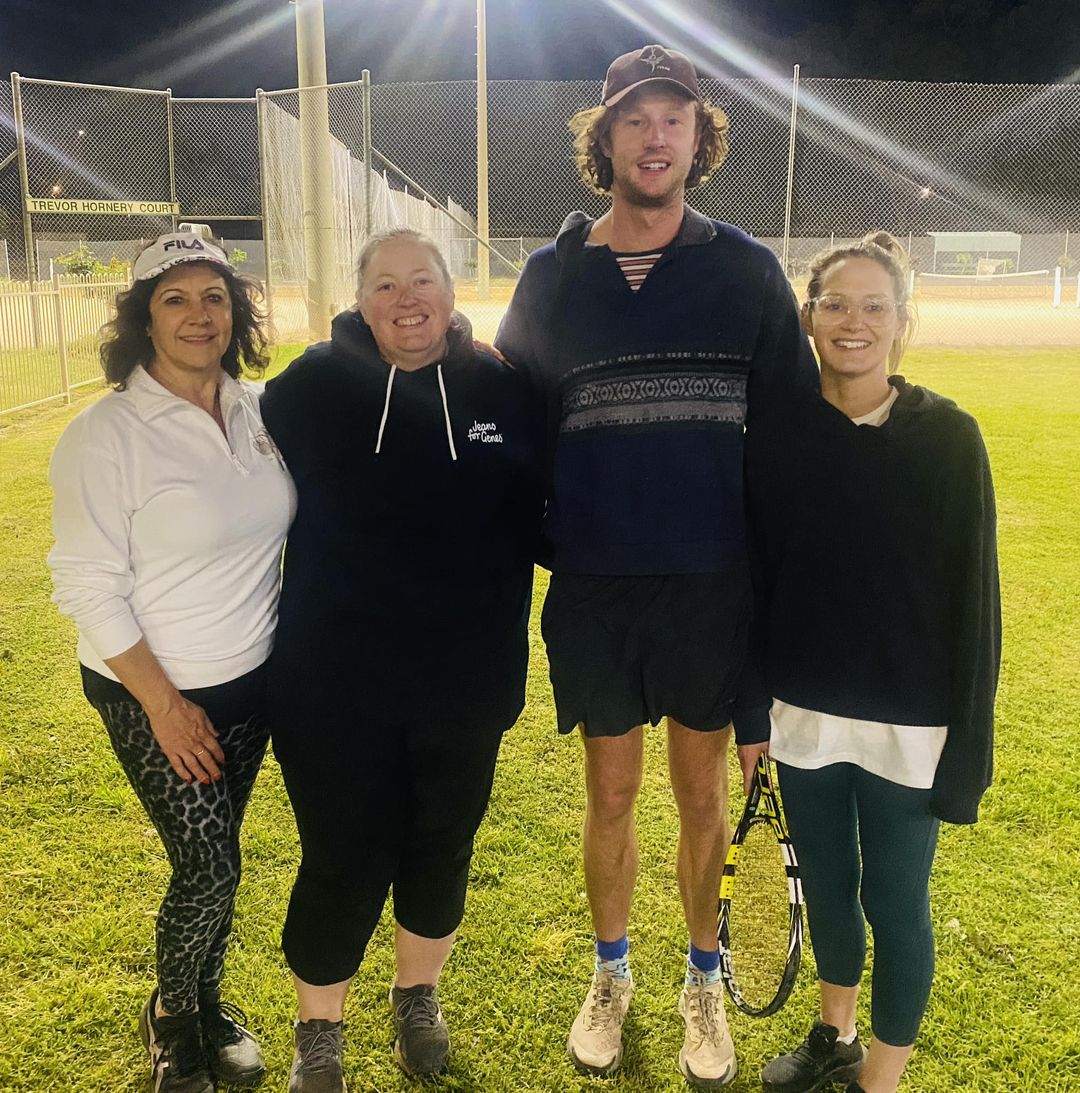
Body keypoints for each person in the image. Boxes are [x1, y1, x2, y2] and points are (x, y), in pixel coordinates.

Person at [494, 45, 818, 1086]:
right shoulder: (552, 275)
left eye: (674, 118)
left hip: (711, 587)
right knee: (612, 792)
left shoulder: (748, 271)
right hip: (596, 590)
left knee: (702, 799)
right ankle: (611, 972)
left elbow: (788, 444)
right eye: (636, 119)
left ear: (699, 135)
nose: (656, 136)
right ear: (606, 135)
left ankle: (703, 984)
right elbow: (509, 424)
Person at [259, 228, 542, 1093]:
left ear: (453, 293)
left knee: (440, 845)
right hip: (332, 683)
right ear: (359, 299)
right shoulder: (306, 389)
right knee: (342, 854)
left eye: (423, 280)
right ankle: (320, 1027)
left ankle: (416, 994)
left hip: (466, 681)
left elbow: (555, 508)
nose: (406, 299)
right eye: (385, 285)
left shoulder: (503, 388)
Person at [740, 232, 1000, 1093]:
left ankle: (877, 1079)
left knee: (896, 899)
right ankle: (834, 1031)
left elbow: (977, 601)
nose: (854, 322)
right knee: (830, 888)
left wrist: (969, 741)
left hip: (909, 722)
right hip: (803, 715)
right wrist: (752, 715)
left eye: (874, 305)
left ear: (903, 321)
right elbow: (752, 581)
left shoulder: (949, 436)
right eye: (835, 304)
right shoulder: (774, 434)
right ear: (810, 318)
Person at [47, 231, 296, 1093]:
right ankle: (175, 1019)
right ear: (143, 319)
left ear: (237, 311)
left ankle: (210, 999)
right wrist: (164, 704)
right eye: (175, 299)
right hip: (150, 688)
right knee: (210, 863)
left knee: (218, 851)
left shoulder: (260, 409)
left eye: (215, 296)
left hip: (252, 679)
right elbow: (84, 581)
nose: (200, 316)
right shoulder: (104, 434)